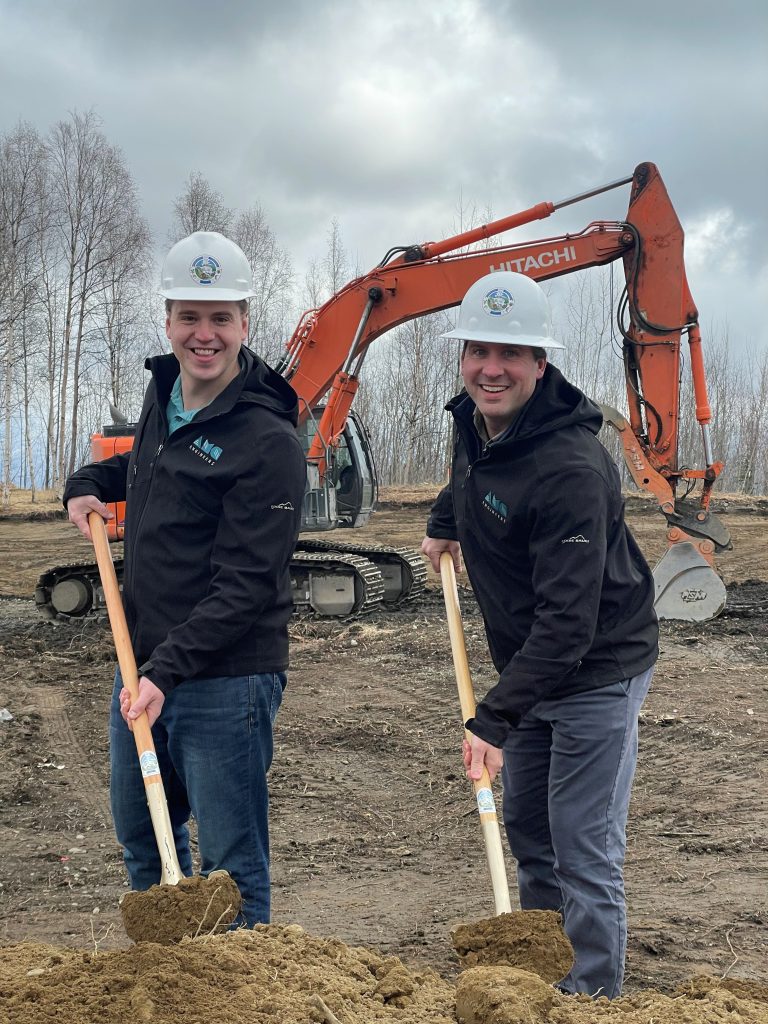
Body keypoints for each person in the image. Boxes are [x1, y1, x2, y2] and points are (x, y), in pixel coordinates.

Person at [421, 271, 658, 999]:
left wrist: (493, 717)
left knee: (581, 847)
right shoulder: (475, 417)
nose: (492, 368)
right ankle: (542, 977)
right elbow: (478, 476)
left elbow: (568, 623)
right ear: (464, 357)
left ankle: (591, 999)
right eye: (479, 351)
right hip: (531, 667)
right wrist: (444, 519)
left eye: (511, 354)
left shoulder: (572, 467)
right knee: (527, 829)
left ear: (540, 364)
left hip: (594, 668)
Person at [65, 231, 306, 925]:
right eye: (190, 317)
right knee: (146, 850)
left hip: (223, 680)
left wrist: (161, 675)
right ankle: (160, 990)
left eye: (221, 318)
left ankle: (241, 991)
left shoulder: (266, 439)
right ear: (168, 320)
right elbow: (149, 469)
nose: (205, 334)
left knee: (230, 869)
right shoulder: (163, 395)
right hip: (141, 664)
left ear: (245, 326)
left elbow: (248, 585)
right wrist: (86, 483)